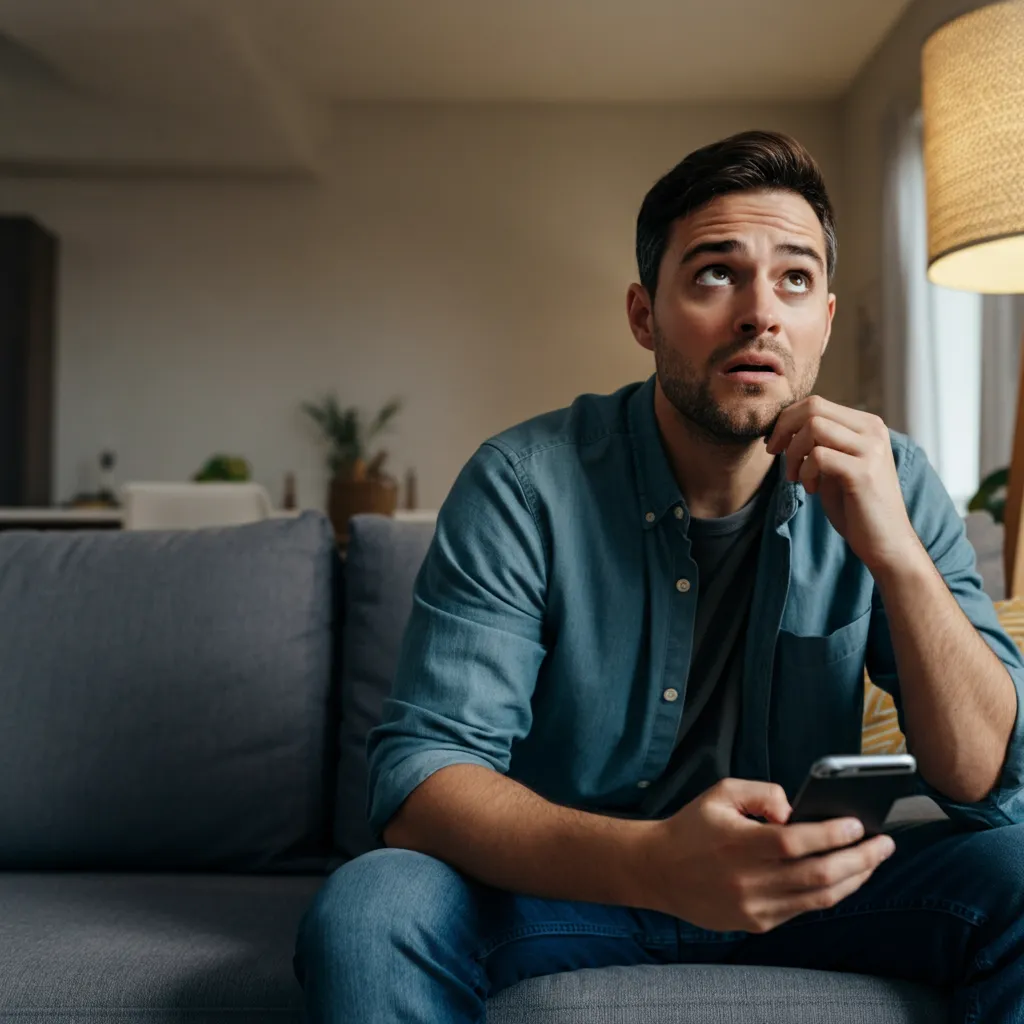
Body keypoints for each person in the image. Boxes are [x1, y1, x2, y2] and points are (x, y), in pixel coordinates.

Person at [293, 130, 1024, 1022]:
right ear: (645, 316)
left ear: (823, 321)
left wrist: (898, 557)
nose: (761, 312)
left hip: (802, 887)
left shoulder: (893, 478)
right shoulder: (524, 485)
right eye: (717, 273)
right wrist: (655, 864)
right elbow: (421, 778)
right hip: (572, 884)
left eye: (794, 279)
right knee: (373, 908)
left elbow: (983, 779)